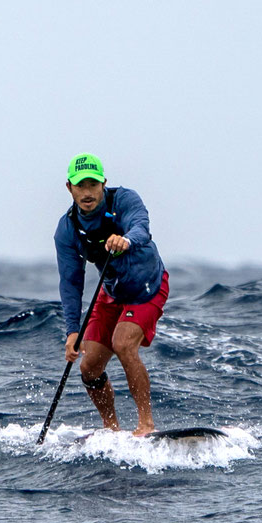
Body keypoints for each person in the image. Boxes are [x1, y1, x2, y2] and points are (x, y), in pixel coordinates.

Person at [55, 153, 168, 435]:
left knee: (123, 343)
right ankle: (112, 429)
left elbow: (141, 226)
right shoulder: (67, 230)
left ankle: (146, 425)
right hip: (111, 293)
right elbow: (71, 283)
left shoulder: (125, 200)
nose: (87, 192)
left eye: (93, 185)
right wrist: (72, 330)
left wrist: (126, 239)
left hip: (147, 288)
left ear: (103, 184)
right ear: (69, 188)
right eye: (80, 186)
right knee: (89, 366)